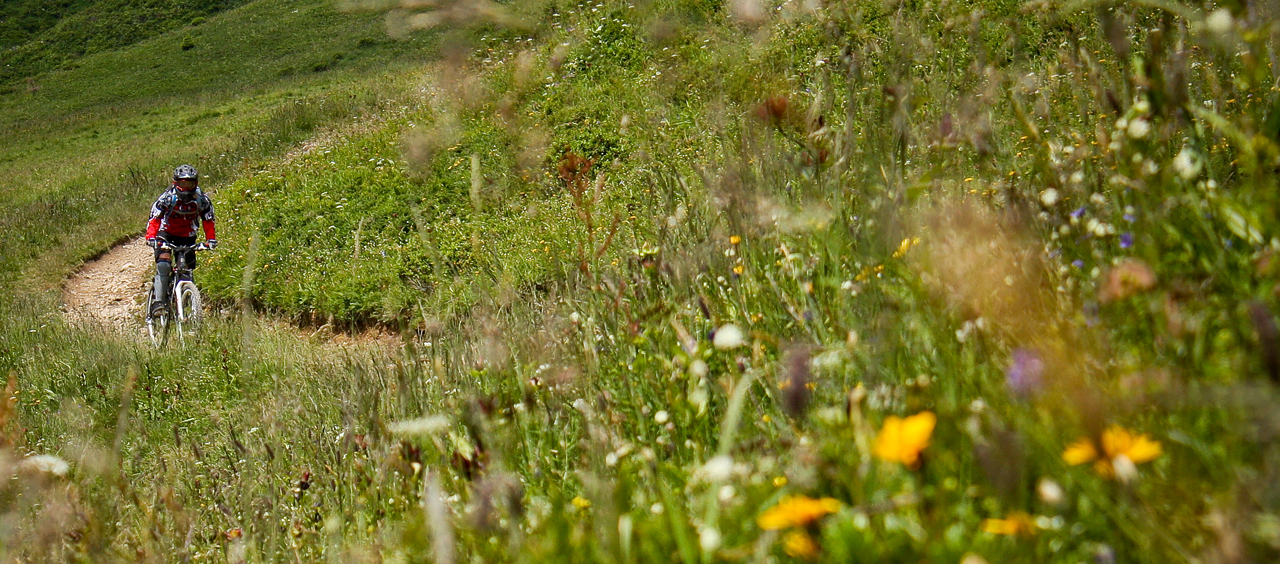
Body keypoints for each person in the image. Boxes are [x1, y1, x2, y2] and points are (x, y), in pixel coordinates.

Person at [145, 165, 217, 316]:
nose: (185, 188)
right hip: (166, 233)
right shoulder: (167, 198)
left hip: (188, 236)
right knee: (164, 264)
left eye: (189, 184)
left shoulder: (201, 200)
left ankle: (185, 302)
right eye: (182, 184)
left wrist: (210, 240)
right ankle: (159, 302)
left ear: (195, 184)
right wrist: (151, 237)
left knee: (186, 269)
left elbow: (208, 220)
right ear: (175, 183)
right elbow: (155, 218)